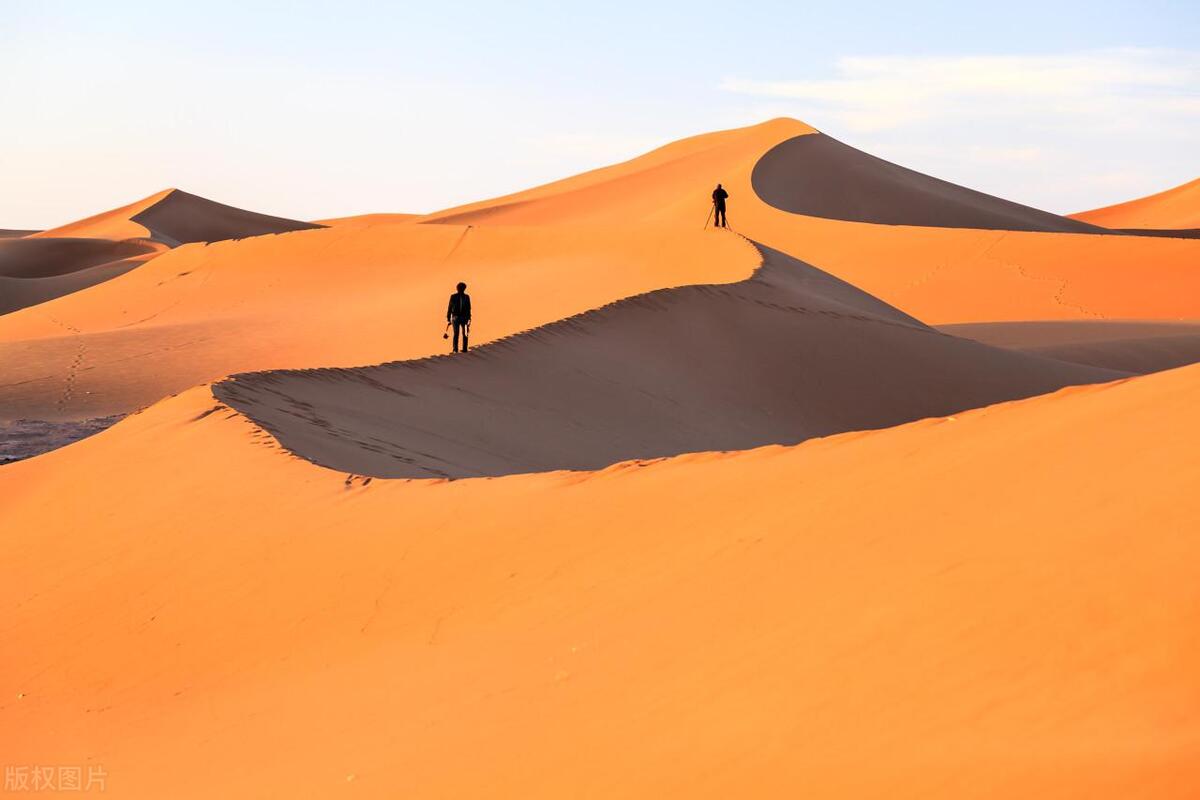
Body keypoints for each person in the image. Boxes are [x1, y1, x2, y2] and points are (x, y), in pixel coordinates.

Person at [446, 281, 472, 353]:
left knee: (465, 333)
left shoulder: (467, 297)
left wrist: (469, 319)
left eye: (462, 288)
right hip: (455, 317)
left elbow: (468, 308)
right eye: (459, 288)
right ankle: (455, 349)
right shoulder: (453, 296)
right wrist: (448, 318)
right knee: (456, 333)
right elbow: (450, 307)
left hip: (464, 317)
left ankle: (464, 349)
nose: (460, 289)